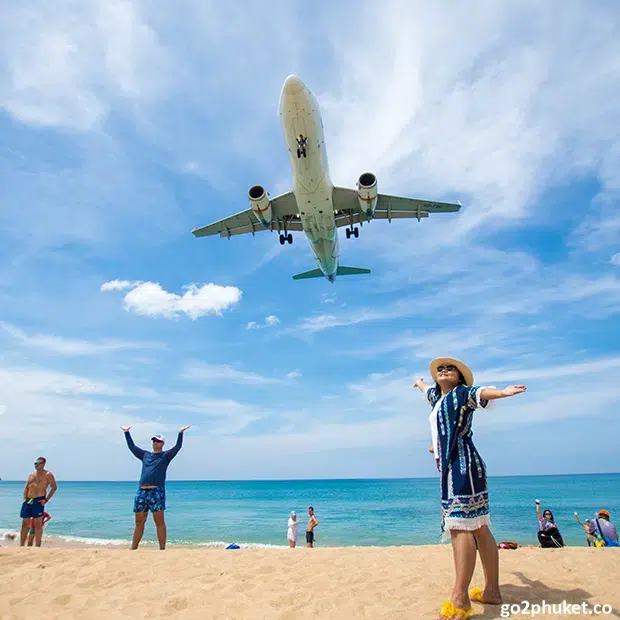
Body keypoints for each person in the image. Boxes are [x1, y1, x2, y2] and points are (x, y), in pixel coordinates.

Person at [414, 357, 527, 620]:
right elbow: (426, 392)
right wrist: (418, 382)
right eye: (439, 369)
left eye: (449, 368)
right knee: (478, 527)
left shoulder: (461, 394)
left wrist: (503, 392)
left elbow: (480, 393)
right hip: (458, 466)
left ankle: (460, 597)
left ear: (460, 377)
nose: (443, 370)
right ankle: (492, 591)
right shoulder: (438, 398)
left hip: (462, 467)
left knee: (460, 527)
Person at [121, 425, 191, 550]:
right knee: (139, 522)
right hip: (142, 491)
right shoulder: (145, 455)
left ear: (162, 443)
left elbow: (177, 447)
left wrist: (180, 433)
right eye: (154, 440)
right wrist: (127, 432)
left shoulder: (165, 456)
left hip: (157, 491)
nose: (155, 442)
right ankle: (133, 548)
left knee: (159, 522)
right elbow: (132, 447)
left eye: (158, 441)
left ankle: (162, 549)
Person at [19, 457, 57, 547]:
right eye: (35, 463)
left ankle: (37, 546)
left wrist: (46, 500)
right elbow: (26, 487)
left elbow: (54, 487)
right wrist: (24, 499)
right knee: (24, 523)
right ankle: (21, 546)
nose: (36, 465)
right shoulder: (32, 475)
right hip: (28, 500)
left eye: (38, 463)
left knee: (37, 524)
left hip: (39, 500)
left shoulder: (48, 474)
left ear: (43, 464)